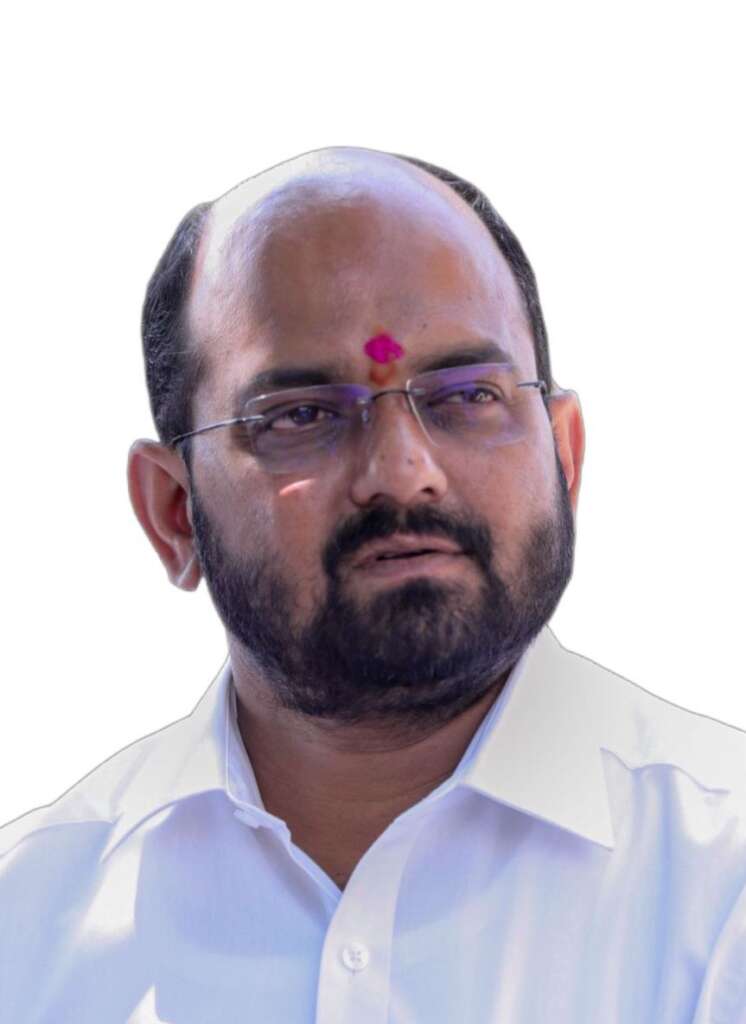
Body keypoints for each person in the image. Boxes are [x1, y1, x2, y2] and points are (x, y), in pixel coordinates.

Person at [1, 146, 744, 1024]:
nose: (402, 472)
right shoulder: (28, 932)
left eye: (468, 396)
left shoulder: (720, 887)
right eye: (302, 415)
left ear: (564, 456)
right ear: (174, 512)